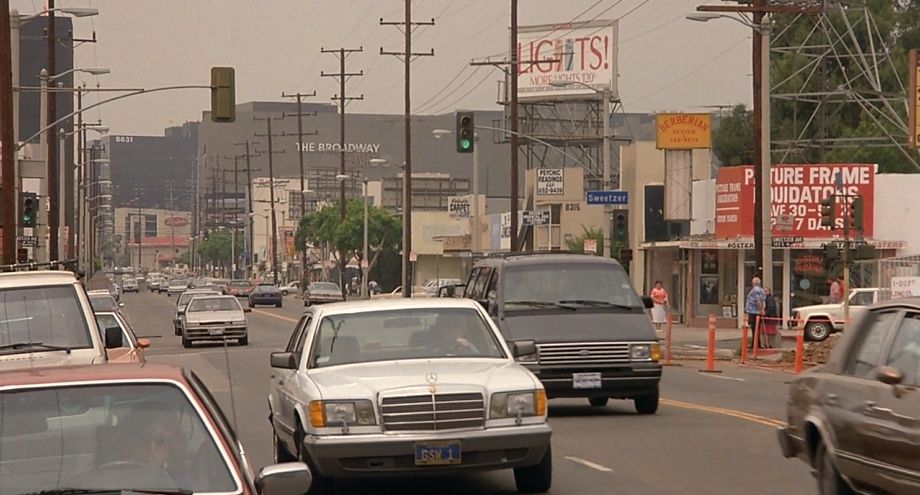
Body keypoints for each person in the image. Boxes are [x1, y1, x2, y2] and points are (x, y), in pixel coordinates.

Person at [745, 276, 766, 348]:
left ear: (753, 283)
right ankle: (757, 343)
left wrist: (760, 309)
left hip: (754, 312)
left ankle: (755, 344)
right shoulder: (762, 290)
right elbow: (763, 301)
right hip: (758, 312)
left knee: (754, 329)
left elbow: (758, 301)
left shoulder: (755, 290)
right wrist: (763, 309)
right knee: (757, 329)